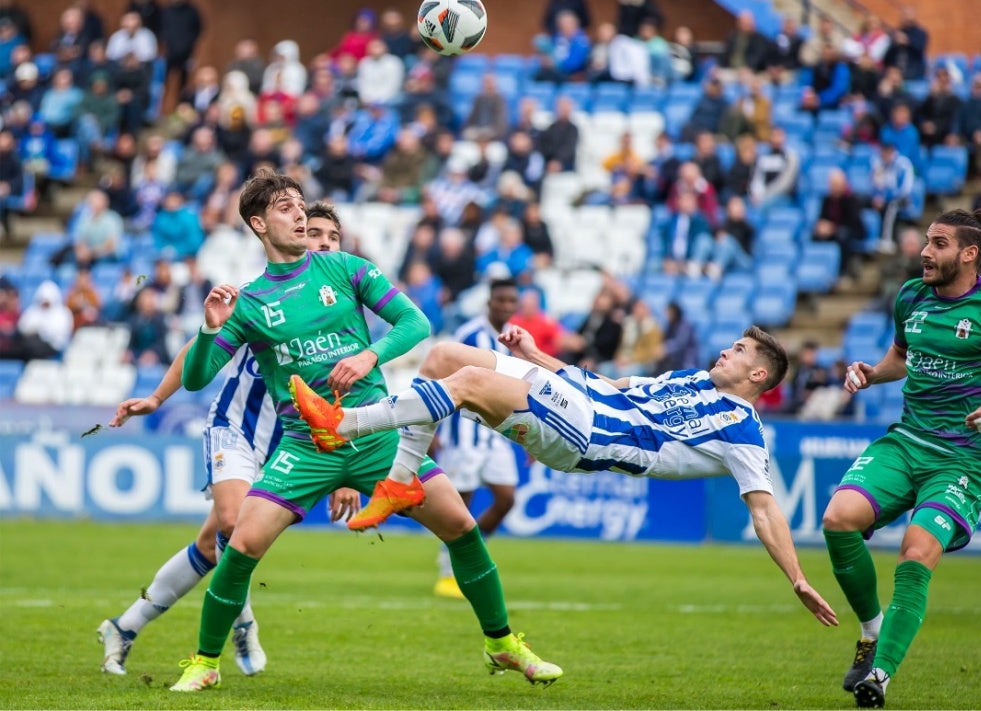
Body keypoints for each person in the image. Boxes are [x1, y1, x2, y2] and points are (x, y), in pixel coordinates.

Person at [168, 170, 560, 692]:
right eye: (285, 207)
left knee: (462, 528)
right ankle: (205, 663)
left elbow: (415, 324)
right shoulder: (250, 302)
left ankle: (502, 645)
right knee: (241, 545)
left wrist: (368, 353)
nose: (299, 213)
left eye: (301, 204)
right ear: (258, 223)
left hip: (378, 435)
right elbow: (196, 378)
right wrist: (211, 326)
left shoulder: (347, 269)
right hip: (307, 447)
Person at [290, 325, 839, 631]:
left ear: (758, 375)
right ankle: (401, 481)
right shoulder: (691, 378)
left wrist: (796, 576)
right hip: (582, 398)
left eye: (739, 350)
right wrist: (535, 355)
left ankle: (344, 425)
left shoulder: (742, 428)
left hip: (589, 436)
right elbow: (615, 384)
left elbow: (764, 507)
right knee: (441, 357)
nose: (727, 349)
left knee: (467, 382)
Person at [97, 204, 358, 676]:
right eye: (313, 232)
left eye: (331, 237)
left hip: (294, 443)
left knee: (211, 545)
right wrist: (157, 397)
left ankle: (124, 626)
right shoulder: (258, 297)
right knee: (235, 526)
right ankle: (242, 623)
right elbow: (199, 346)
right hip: (236, 427)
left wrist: (346, 468)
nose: (322, 242)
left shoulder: (343, 303)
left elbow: (351, 393)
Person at [827, 207, 981, 708]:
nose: (924, 252)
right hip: (906, 441)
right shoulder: (911, 296)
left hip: (959, 461)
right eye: (926, 242)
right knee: (838, 519)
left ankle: (880, 677)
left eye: (937, 244)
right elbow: (900, 359)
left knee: (915, 553)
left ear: (969, 253)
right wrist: (869, 373)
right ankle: (871, 633)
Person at [432, 277, 524, 599]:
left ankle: (474, 551)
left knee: (506, 499)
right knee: (460, 507)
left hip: (497, 434)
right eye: (501, 300)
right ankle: (448, 572)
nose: (506, 306)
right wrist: (434, 428)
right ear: (489, 302)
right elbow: (443, 379)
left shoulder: (516, 338)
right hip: (465, 434)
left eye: (512, 301)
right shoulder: (470, 335)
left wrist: (529, 437)